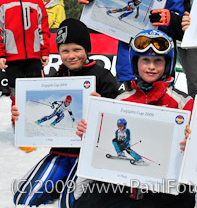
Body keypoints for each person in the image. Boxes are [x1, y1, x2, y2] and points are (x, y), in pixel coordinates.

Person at [75, 29, 195, 207]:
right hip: (124, 186)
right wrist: (91, 128)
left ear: (168, 65)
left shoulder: (183, 104)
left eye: (158, 61)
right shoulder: (121, 100)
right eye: (145, 60)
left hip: (163, 190)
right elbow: (101, 140)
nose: (151, 67)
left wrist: (190, 140)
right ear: (135, 62)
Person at [11, 18, 119, 207]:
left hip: (87, 154)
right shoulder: (56, 77)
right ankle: (60, 180)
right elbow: (49, 102)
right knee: (23, 198)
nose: (71, 56)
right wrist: (21, 115)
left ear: (87, 49)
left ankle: (85, 184)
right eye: (64, 50)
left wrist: (100, 108)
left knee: (68, 204)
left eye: (77, 49)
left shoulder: (103, 77)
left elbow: (116, 117)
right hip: (60, 152)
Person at [0, 0, 50, 97]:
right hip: (12, 60)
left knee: (36, 96)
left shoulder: (36, 2)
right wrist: (1, 54)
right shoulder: (2, 2)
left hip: (34, 59)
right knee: (16, 98)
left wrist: (45, 52)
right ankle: (16, 120)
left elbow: (43, 29)